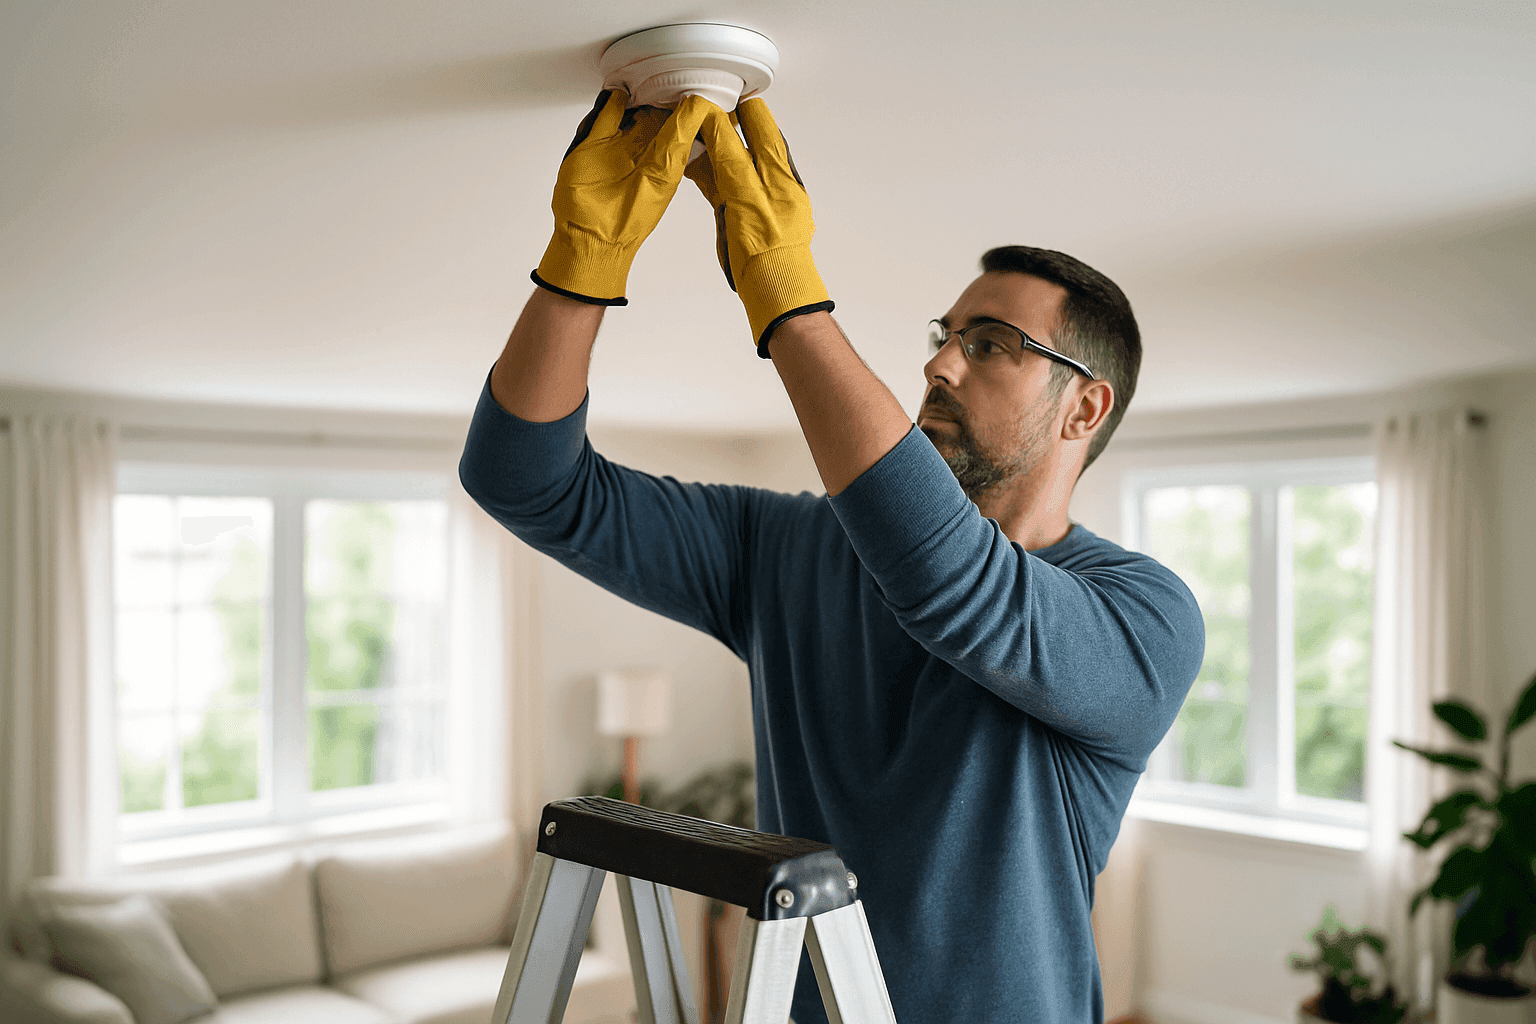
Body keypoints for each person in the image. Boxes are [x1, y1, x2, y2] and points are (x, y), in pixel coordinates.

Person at [459, 89, 1205, 1024]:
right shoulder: (787, 549)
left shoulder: (1143, 616)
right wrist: (580, 266)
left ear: (1084, 409)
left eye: (988, 346)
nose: (939, 365)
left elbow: (953, 588)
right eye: (944, 337)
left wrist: (787, 296)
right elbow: (524, 480)